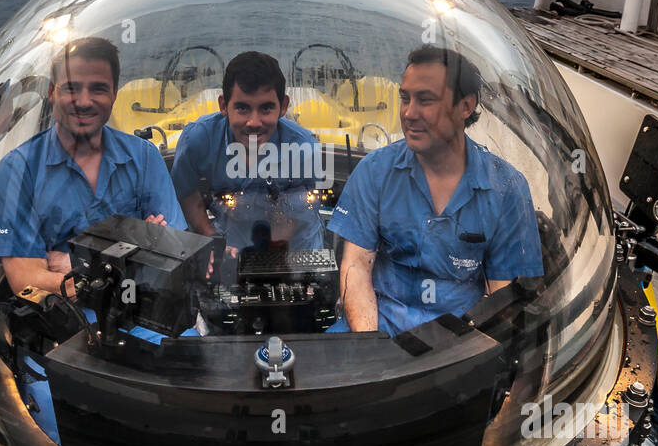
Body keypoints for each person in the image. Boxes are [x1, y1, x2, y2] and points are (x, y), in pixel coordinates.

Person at [328, 45, 542, 336]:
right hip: (377, 327)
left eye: (426, 100)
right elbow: (356, 266)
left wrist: (467, 356)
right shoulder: (375, 170)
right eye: (405, 98)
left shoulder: (507, 189)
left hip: (458, 340)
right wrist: (371, 348)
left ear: (466, 106)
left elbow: (504, 296)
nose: (409, 113)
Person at [0, 36, 186, 296]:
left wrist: (80, 266)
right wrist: (137, 250)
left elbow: (175, 254)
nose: (84, 101)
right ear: (51, 93)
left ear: (114, 94)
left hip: (146, 313)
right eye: (71, 88)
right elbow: (26, 281)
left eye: (98, 89)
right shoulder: (17, 170)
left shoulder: (144, 157)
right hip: (68, 322)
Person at [171, 51, 325, 258]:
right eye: (242, 108)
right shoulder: (197, 139)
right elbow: (185, 191)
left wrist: (267, 258)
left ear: (283, 106)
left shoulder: (304, 148)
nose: (254, 122)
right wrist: (213, 239)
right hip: (230, 240)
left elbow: (297, 211)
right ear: (224, 106)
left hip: (295, 247)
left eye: (266, 109)